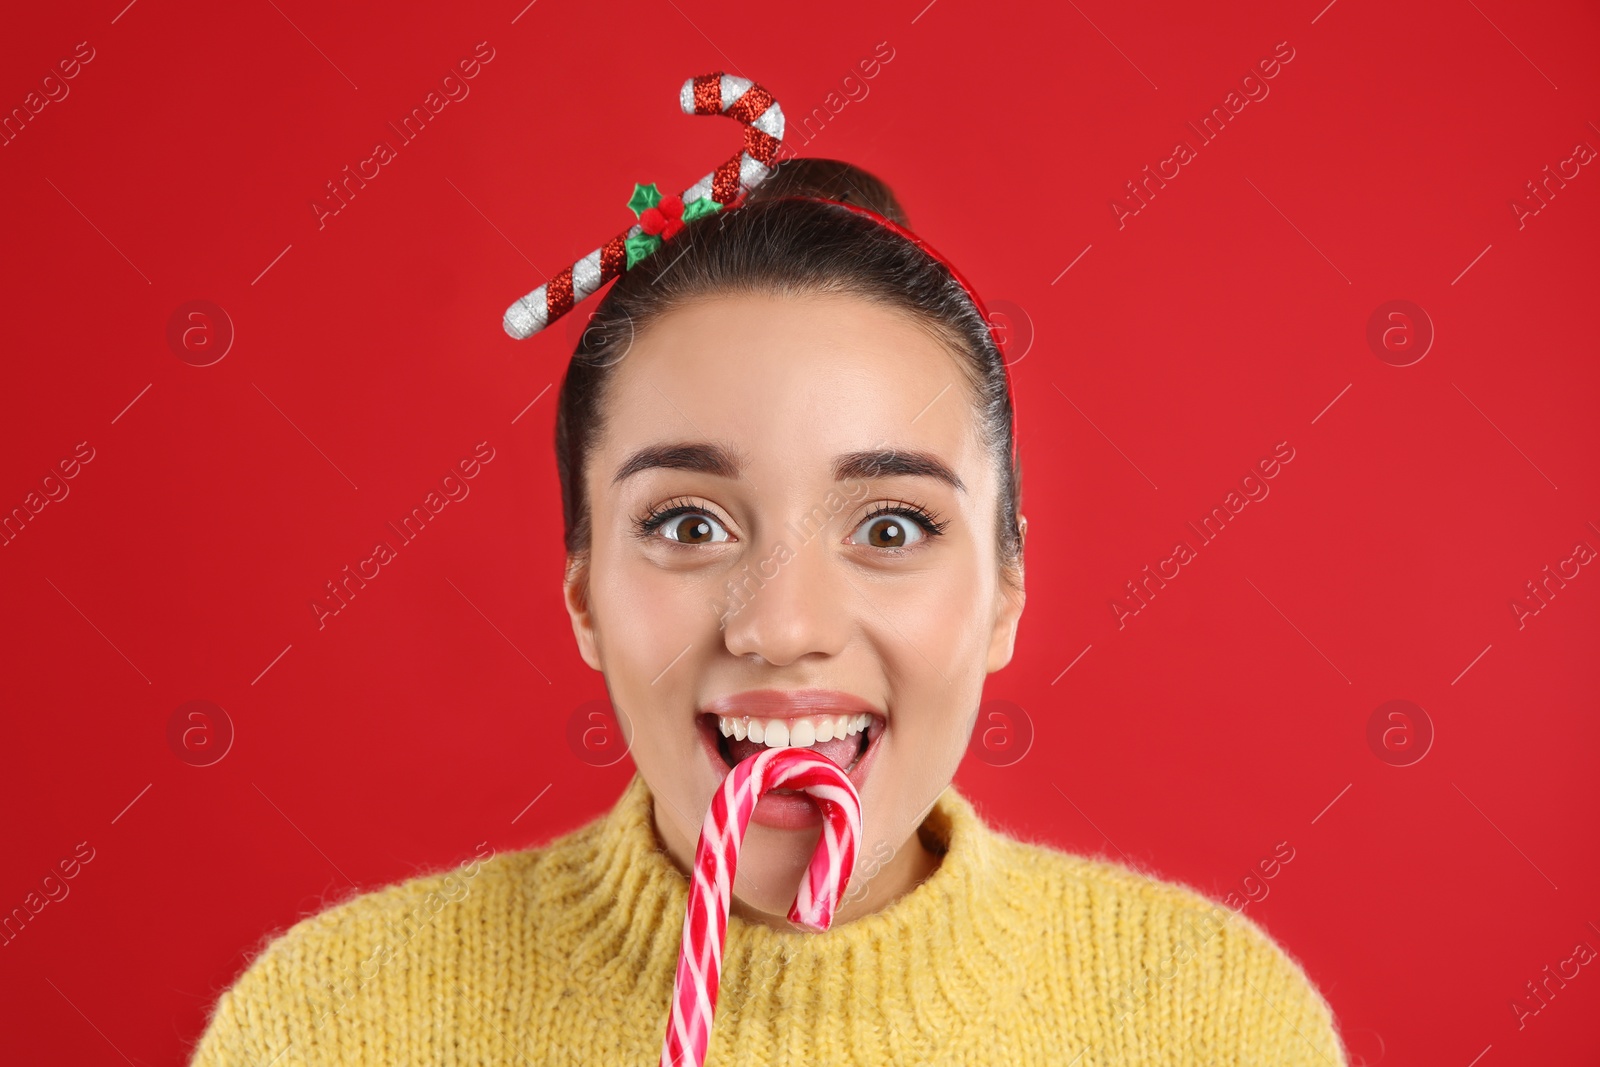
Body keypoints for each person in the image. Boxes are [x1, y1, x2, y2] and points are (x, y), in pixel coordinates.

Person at [187, 158, 1349, 1065]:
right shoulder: (334, 1021)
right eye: (690, 525)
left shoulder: (1212, 1020)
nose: (781, 625)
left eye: (889, 526)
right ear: (583, 587)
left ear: (1005, 588)